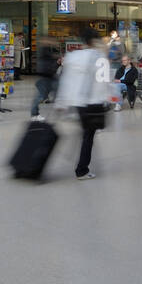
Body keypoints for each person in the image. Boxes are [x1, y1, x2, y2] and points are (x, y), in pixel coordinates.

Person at [56, 27, 109, 180]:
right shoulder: (99, 57)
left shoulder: (72, 56)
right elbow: (103, 82)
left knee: (86, 133)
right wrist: (108, 98)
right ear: (94, 41)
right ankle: (82, 169)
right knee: (88, 135)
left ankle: (81, 163)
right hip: (93, 103)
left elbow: (65, 80)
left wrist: (61, 101)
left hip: (78, 103)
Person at [31, 37, 60, 115]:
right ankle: (34, 113)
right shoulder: (44, 49)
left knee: (56, 88)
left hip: (49, 74)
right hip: (46, 74)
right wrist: (57, 59)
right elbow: (51, 57)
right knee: (41, 95)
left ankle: (57, 104)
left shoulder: (48, 49)